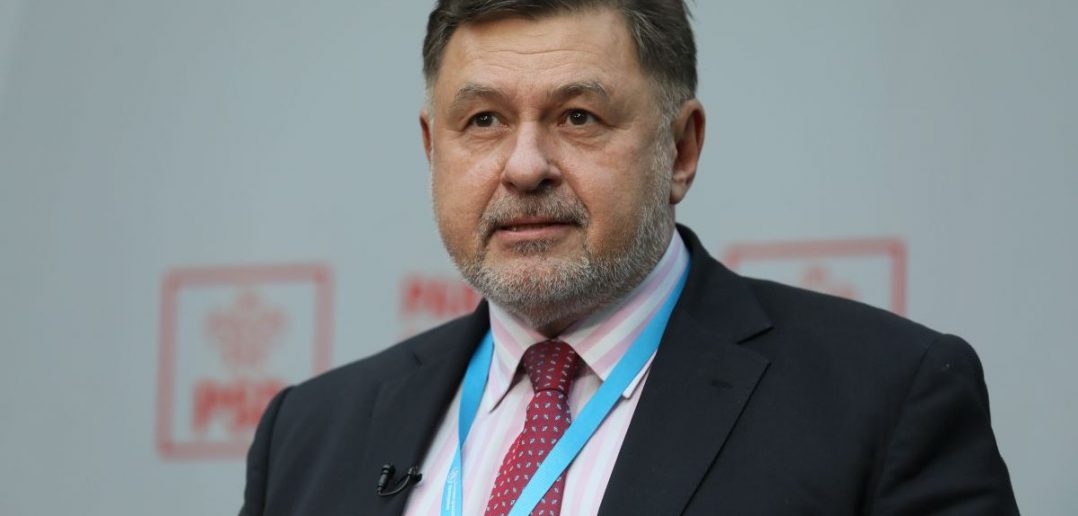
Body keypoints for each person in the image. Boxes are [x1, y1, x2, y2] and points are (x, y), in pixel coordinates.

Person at [240, 1, 1019, 515]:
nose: (524, 167)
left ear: (681, 149)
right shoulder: (310, 435)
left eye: (578, 116)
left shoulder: (881, 399)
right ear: (431, 148)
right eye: (483, 121)